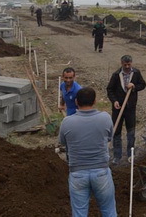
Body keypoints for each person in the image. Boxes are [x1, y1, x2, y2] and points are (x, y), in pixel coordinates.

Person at [58, 87, 116, 217]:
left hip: (77, 174)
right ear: (95, 101)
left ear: (76, 102)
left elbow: (63, 142)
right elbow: (109, 137)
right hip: (101, 172)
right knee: (109, 211)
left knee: (79, 214)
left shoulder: (67, 122)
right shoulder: (105, 118)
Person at [106, 55, 146, 166]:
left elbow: (143, 84)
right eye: (125, 64)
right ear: (121, 63)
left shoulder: (136, 73)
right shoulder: (116, 75)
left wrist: (134, 86)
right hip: (118, 109)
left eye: (129, 64)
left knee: (131, 131)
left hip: (130, 108)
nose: (127, 66)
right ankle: (117, 156)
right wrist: (114, 101)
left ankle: (130, 154)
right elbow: (109, 90)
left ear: (131, 63)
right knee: (117, 132)